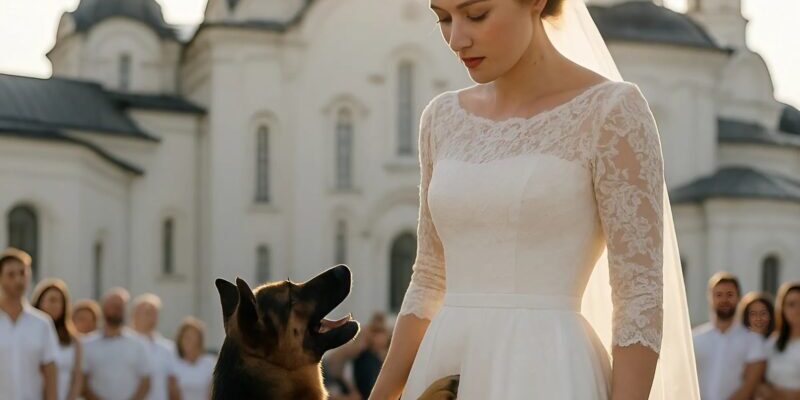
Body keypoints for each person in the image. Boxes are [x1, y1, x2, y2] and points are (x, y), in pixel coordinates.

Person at [370, 0, 699, 398]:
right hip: (443, 365)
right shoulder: (441, 119)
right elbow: (428, 278)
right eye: (442, 18)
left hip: (549, 370)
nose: (456, 39)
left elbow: (639, 296)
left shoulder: (612, 112)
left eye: (476, 15)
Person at [693, 272, 766, 400]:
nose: (724, 300)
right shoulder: (695, 339)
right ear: (710, 297)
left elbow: (749, 385)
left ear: (739, 297)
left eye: (730, 295)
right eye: (719, 295)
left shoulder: (753, 341)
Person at [0, 247, 59, 400]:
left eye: (22, 273)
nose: (18, 280)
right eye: (11, 275)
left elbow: (50, 374)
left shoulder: (42, 324)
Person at [82, 287, 152, 400]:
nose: (117, 310)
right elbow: (82, 382)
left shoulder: (139, 344)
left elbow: (145, 381)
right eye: (113, 306)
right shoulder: (87, 344)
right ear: (104, 308)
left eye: (120, 307)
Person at [32, 279, 84, 400]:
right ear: (40, 301)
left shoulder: (73, 340)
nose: (55, 305)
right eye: (52, 300)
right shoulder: (31, 333)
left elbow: (77, 378)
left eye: (60, 301)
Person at [132, 293, 180, 400]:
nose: (152, 317)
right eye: (148, 312)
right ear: (135, 315)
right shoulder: (126, 345)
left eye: (155, 313)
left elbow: (172, 384)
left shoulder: (168, 348)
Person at [756, 282, 800, 399]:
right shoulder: (772, 342)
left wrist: (777, 394)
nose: (797, 309)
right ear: (782, 308)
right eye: (791, 304)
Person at [172, 317, 216, 400]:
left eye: (191, 337)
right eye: (185, 337)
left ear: (199, 340)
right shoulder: (174, 363)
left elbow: (212, 392)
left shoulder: (210, 363)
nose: (187, 341)